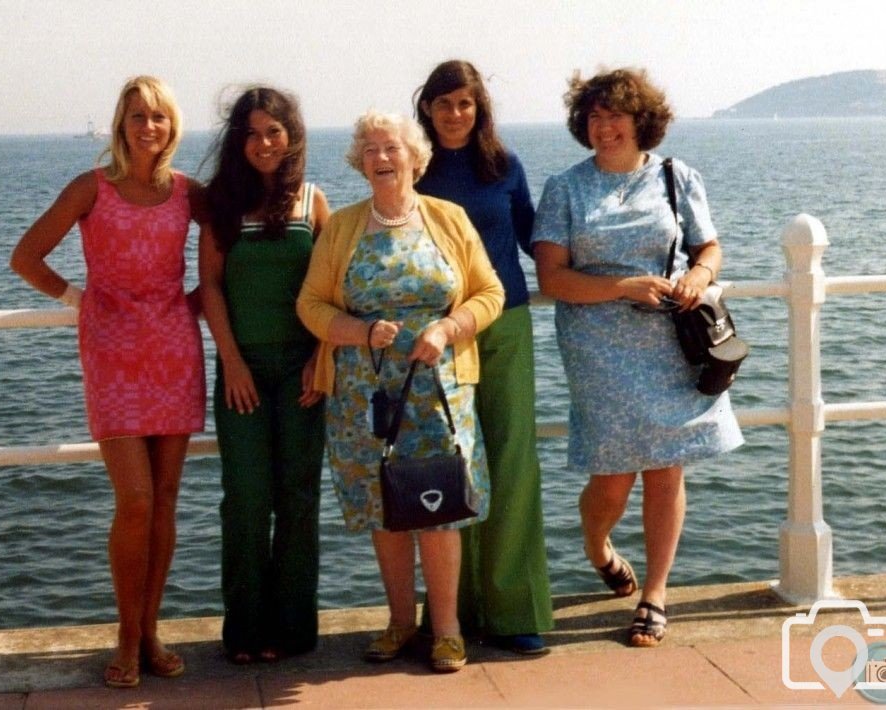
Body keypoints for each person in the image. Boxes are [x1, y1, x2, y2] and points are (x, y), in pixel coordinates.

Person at [532, 68, 743, 647]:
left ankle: (654, 594)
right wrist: (622, 286)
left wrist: (699, 276)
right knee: (613, 480)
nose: (604, 127)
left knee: (666, 468)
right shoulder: (565, 188)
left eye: (615, 115)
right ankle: (597, 545)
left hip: (668, 344)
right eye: (594, 117)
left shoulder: (678, 176)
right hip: (597, 344)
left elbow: (709, 245)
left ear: (640, 120)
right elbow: (551, 277)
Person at [10, 76, 205, 687]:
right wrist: (76, 297)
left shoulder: (187, 193)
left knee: (167, 501)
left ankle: (151, 631)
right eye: (137, 116)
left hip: (174, 350)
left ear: (173, 125)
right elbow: (26, 256)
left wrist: (197, 304)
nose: (149, 126)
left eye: (159, 117)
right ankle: (125, 633)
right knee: (137, 500)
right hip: (113, 353)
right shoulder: (91, 189)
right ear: (121, 124)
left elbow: (236, 251)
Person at [296, 110, 504, 673]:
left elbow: (489, 293)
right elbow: (310, 305)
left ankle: (447, 632)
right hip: (365, 395)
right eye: (370, 151)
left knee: (437, 508)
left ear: (415, 157)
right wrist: (359, 331)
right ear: (359, 162)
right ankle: (398, 623)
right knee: (385, 507)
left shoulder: (449, 218)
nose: (382, 159)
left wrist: (445, 329)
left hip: (438, 390)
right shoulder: (341, 227)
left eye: (391, 149)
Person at [413, 60, 553, 655]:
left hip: (506, 322)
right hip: (440, 331)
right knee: (452, 465)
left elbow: (534, 238)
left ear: (479, 107)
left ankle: (513, 608)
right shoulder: (415, 168)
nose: (454, 114)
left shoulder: (505, 166)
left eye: (465, 103)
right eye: (443, 104)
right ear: (427, 109)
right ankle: (453, 614)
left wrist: (609, 283)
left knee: (512, 460)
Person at [199, 86, 329, 664]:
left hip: (302, 373)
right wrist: (231, 362)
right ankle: (245, 631)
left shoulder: (313, 203)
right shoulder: (221, 206)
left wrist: (320, 358)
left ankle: (294, 629)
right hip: (242, 374)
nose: (263, 143)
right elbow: (209, 288)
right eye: (251, 133)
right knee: (247, 500)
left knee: (298, 499)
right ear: (238, 141)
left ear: (291, 135)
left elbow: (331, 292)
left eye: (273, 131)